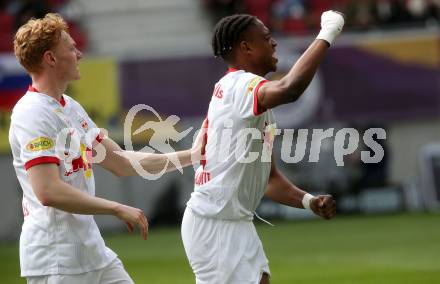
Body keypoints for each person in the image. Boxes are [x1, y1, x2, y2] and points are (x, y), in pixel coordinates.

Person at [10, 13, 202, 284]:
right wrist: (115, 207)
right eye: (71, 48)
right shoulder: (31, 113)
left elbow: (120, 161)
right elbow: (48, 191)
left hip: (92, 251)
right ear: (50, 59)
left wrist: (194, 155)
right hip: (55, 259)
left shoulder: (70, 107)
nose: (79, 54)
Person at [181, 11, 344, 284]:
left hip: (231, 222)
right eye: (266, 38)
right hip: (217, 224)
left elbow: (269, 180)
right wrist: (328, 32)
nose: (274, 43)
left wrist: (308, 202)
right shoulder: (240, 85)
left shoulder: (244, 95)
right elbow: (290, 88)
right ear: (246, 47)